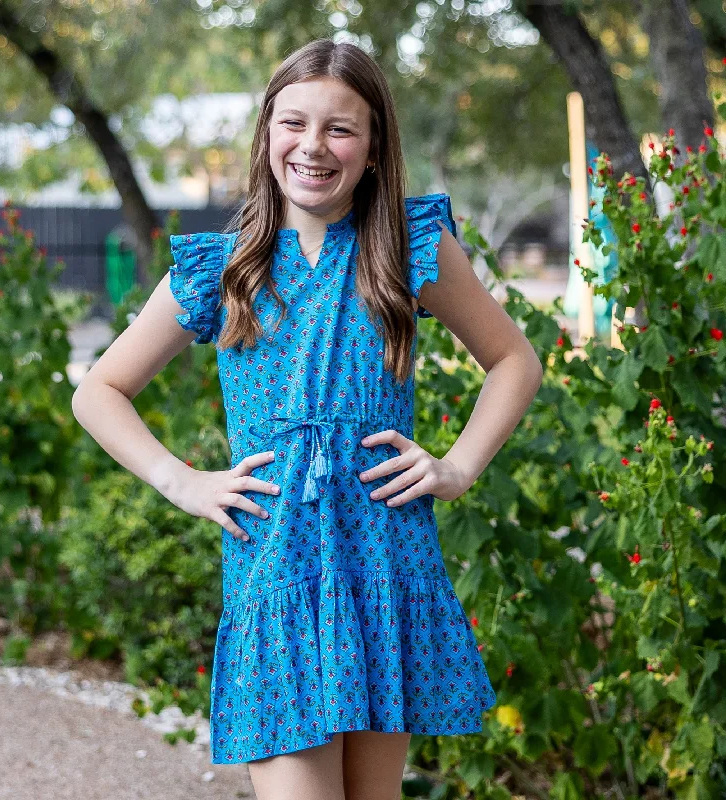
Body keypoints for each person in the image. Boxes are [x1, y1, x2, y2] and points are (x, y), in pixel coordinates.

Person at [72, 38, 543, 800]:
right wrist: (180, 481)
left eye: (340, 128)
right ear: (267, 133)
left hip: (382, 565)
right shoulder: (222, 266)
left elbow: (514, 361)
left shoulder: (409, 247)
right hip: (277, 571)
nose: (313, 147)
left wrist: (457, 466)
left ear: (374, 147)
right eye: (294, 122)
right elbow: (98, 390)